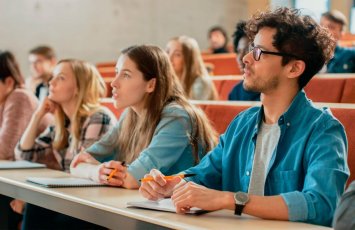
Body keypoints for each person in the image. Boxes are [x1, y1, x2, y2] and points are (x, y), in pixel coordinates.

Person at [139, 7, 349, 227]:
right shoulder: (242, 123)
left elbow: (322, 205)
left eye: (259, 52)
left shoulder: (324, 130)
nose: (246, 58)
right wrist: (171, 183)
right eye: (251, 49)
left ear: (294, 68)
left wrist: (230, 200)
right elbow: (204, 173)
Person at [70, 45, 218, 189]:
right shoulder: (130, 114)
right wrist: (96, 171)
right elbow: (77, 163)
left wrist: (97, 170)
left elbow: (134, 179)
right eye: (116, 73)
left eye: (126, 75)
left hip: (184, 210)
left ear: (151, 85)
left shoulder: (177, 118)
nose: (114, 83)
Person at [15, 59, 116, 229]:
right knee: (32, 206)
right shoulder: (62, 123)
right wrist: (38, 115)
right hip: (74, 199)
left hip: (97, 205)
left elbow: (78, 168)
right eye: (53, 77)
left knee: (34, 207)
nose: (51, 82)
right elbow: (24, 154)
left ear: (78, 87)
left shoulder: (99, 117)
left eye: (60, 78)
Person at [0, 50, 49, 230]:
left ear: (9, 82)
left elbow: (4, 150)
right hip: (25, 177)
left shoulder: (19, 97)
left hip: (45, 178)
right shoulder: (4, 100)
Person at [166, 36, 218, 100]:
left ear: (189, 60)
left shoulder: (200, 84)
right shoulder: (169, 82)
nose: (169, 58)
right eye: (168, 52)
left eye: (177, 54)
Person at [228, 21, 260, 101]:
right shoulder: (235, 92)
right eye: (238, 51)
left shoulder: (271, 92)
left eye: (248, 50)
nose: (241, 57)